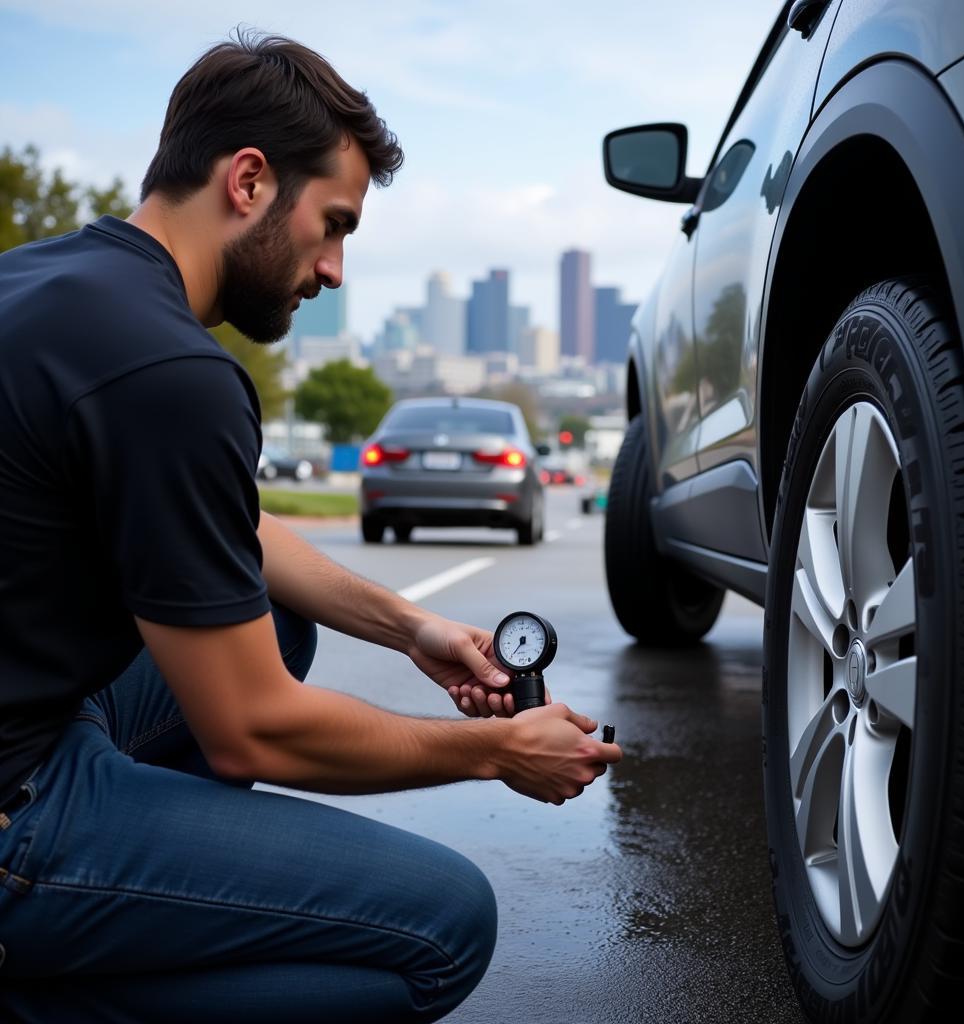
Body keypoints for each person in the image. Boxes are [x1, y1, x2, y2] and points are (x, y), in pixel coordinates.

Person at [0, 31, 622, 1023]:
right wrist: (497, 753)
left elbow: (230, 532)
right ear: (247, 181)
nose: (332, 270)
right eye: (331, 225)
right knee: (447, 923)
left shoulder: (45, 282)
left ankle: (143, 892)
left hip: (39, 710)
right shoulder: (174, 373)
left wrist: (410, 626)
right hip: (18, 800)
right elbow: (251, 733)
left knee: (278, 625)